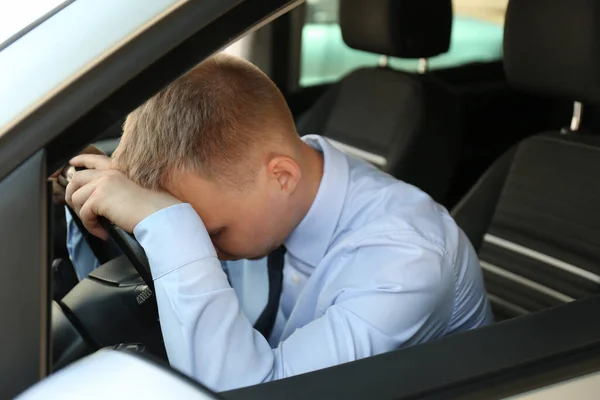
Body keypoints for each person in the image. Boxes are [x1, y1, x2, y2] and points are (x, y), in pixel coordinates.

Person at [63, 54, 493, 391]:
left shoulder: (405, 260)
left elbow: (254, 394)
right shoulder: (251, 201)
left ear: (281, 176)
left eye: (209, 233)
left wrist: (175, 233)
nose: (205, 249)